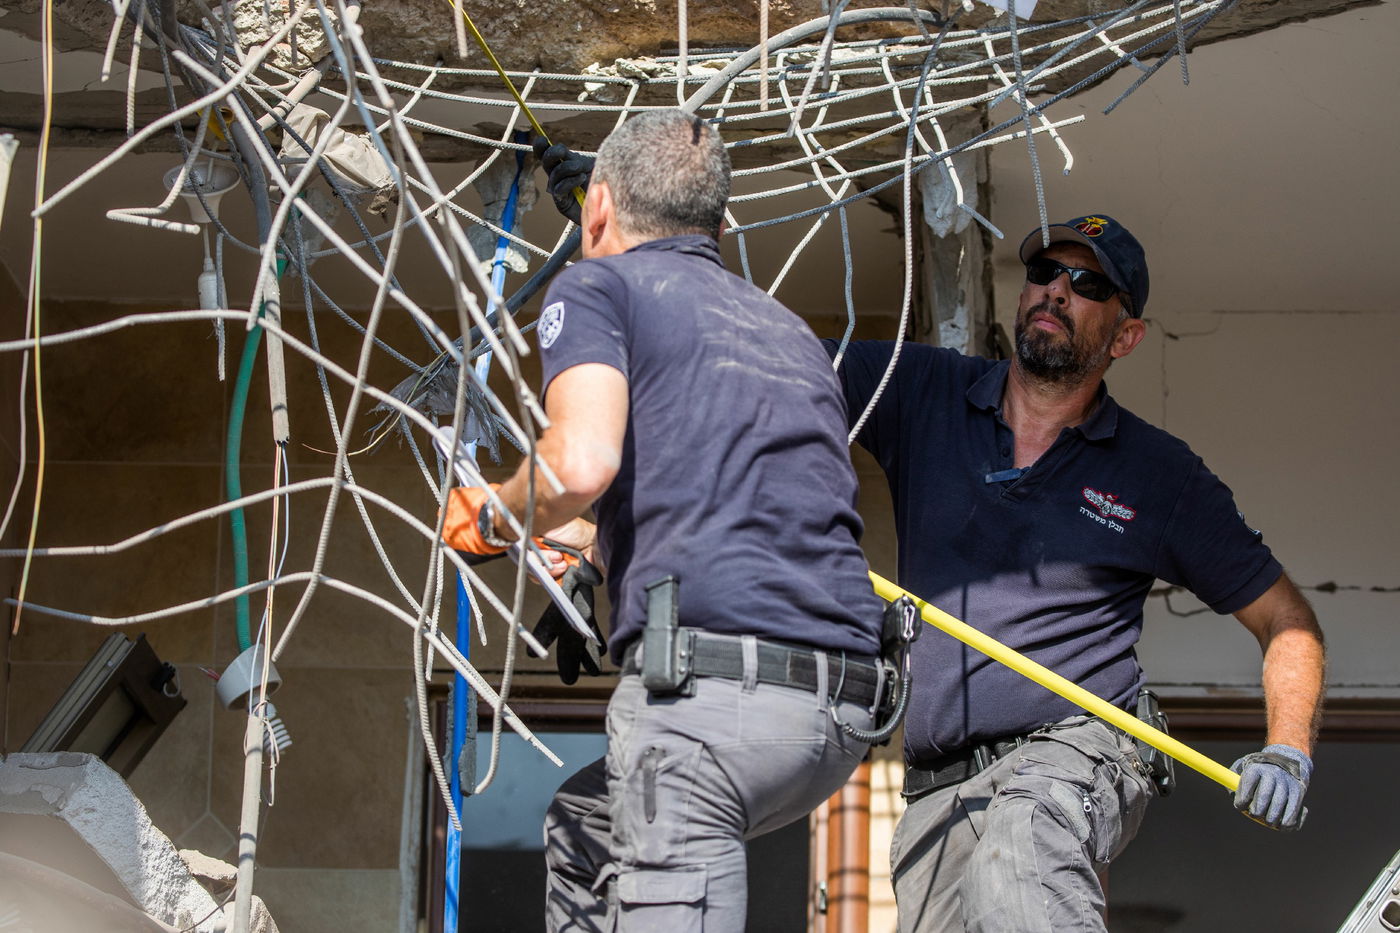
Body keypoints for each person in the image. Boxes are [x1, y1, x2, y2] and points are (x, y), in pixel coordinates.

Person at [441, 109, 887, 932]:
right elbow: (720, 508)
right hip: (833, 717)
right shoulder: (787, 333)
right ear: (717, 223)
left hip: (711, 709)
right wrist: (590, 543)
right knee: (585, 826)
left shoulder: (598, 287)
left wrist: (492, 517)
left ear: (599, 206)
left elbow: (579, 465)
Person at [830, 214, 1327, 932]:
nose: (1056, 290)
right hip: (938, 790)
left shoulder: (1159, 474)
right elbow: (770, 369)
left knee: (1021, 845)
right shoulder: (924, 392)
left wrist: (1288, 751)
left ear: (1125, 336)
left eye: (1087, 283)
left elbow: (1289, 622)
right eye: (1044, 273)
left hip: (1075, 748)